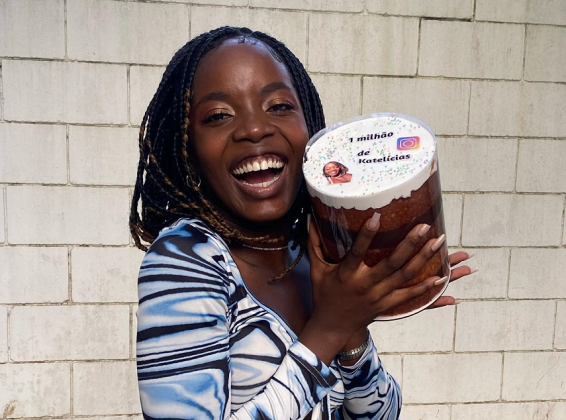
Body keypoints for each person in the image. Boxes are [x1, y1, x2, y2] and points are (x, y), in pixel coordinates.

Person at [130, 26, 473, 420]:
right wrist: (328, 328)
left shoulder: (312, 253)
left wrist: (353, 328)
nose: (255, 128)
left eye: (278, 106)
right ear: (186, 145)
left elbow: (380, 415)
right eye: (219, 115)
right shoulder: (186, 260)